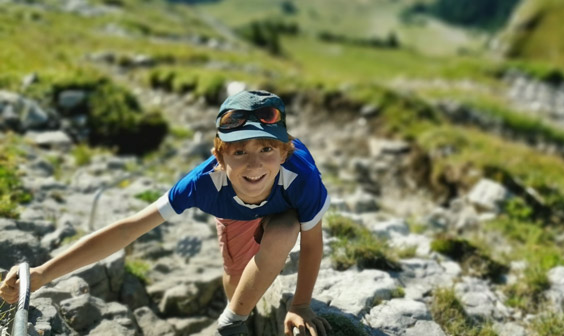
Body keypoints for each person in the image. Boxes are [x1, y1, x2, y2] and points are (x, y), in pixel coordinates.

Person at [1, 89, 332, 336]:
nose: (255, 163)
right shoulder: (201, 185)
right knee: (236, 273)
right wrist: (43, 273)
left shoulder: (303, 179)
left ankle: (229, 324)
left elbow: (312, 244)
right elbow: (128, 230)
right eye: (239, 151)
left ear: (285, 151)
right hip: (234, 211)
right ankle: (239, 314)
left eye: (266, 148)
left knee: (286, 230)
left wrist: (300, 305)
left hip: (286, 204)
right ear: (219, 158)